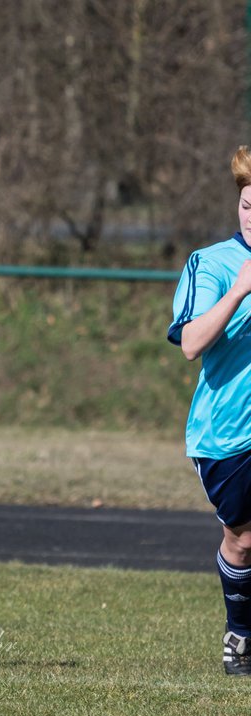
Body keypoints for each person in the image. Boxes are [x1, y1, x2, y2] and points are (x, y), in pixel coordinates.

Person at [169, 144, 251, 676]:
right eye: (247, 204)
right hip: (226, 436)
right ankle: (240, 633)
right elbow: (192, 343)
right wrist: (241, 290)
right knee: (243, 541)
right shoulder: (213, 263)